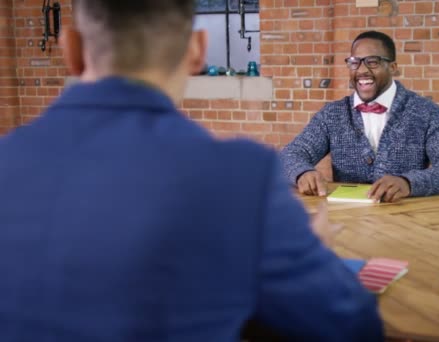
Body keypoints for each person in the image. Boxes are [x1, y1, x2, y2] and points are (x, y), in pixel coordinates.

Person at [0, 1, 383, 341]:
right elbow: (350, 325)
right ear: (198, 49)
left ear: (71, 48)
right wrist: (315, 251)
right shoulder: (241, 176)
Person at [280, 30, 439, 202]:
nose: (362, 70)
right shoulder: (332, 115)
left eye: (372, 62)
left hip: (408, 225)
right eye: (354, 62)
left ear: (393, 67)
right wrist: (301, 173)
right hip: (346, 224)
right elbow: (290, 155)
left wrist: (410, 183)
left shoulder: (426, 112)